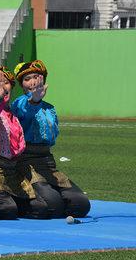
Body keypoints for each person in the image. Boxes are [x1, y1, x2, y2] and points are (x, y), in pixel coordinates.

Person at [12, 60, 90, 218]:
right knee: (51, 205)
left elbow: (52, 136)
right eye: (27, 79)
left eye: (36, 77)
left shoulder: (49, 108)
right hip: (26, 163)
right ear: (22, 85)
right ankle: (16, 202)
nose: (32, 82)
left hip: (47, 162)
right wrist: (34, 100)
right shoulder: (19, 103)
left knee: (81, 204)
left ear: (43, 80)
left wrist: (38, 101)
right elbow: (24, 111)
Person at [0, 67, 49, 220]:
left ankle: (7, 200)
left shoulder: (13, 113)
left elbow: (29, 112)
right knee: (7, 209)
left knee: (41, 208)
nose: (2, 86)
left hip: (12, 172)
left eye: (6, 83)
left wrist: (36, 100)